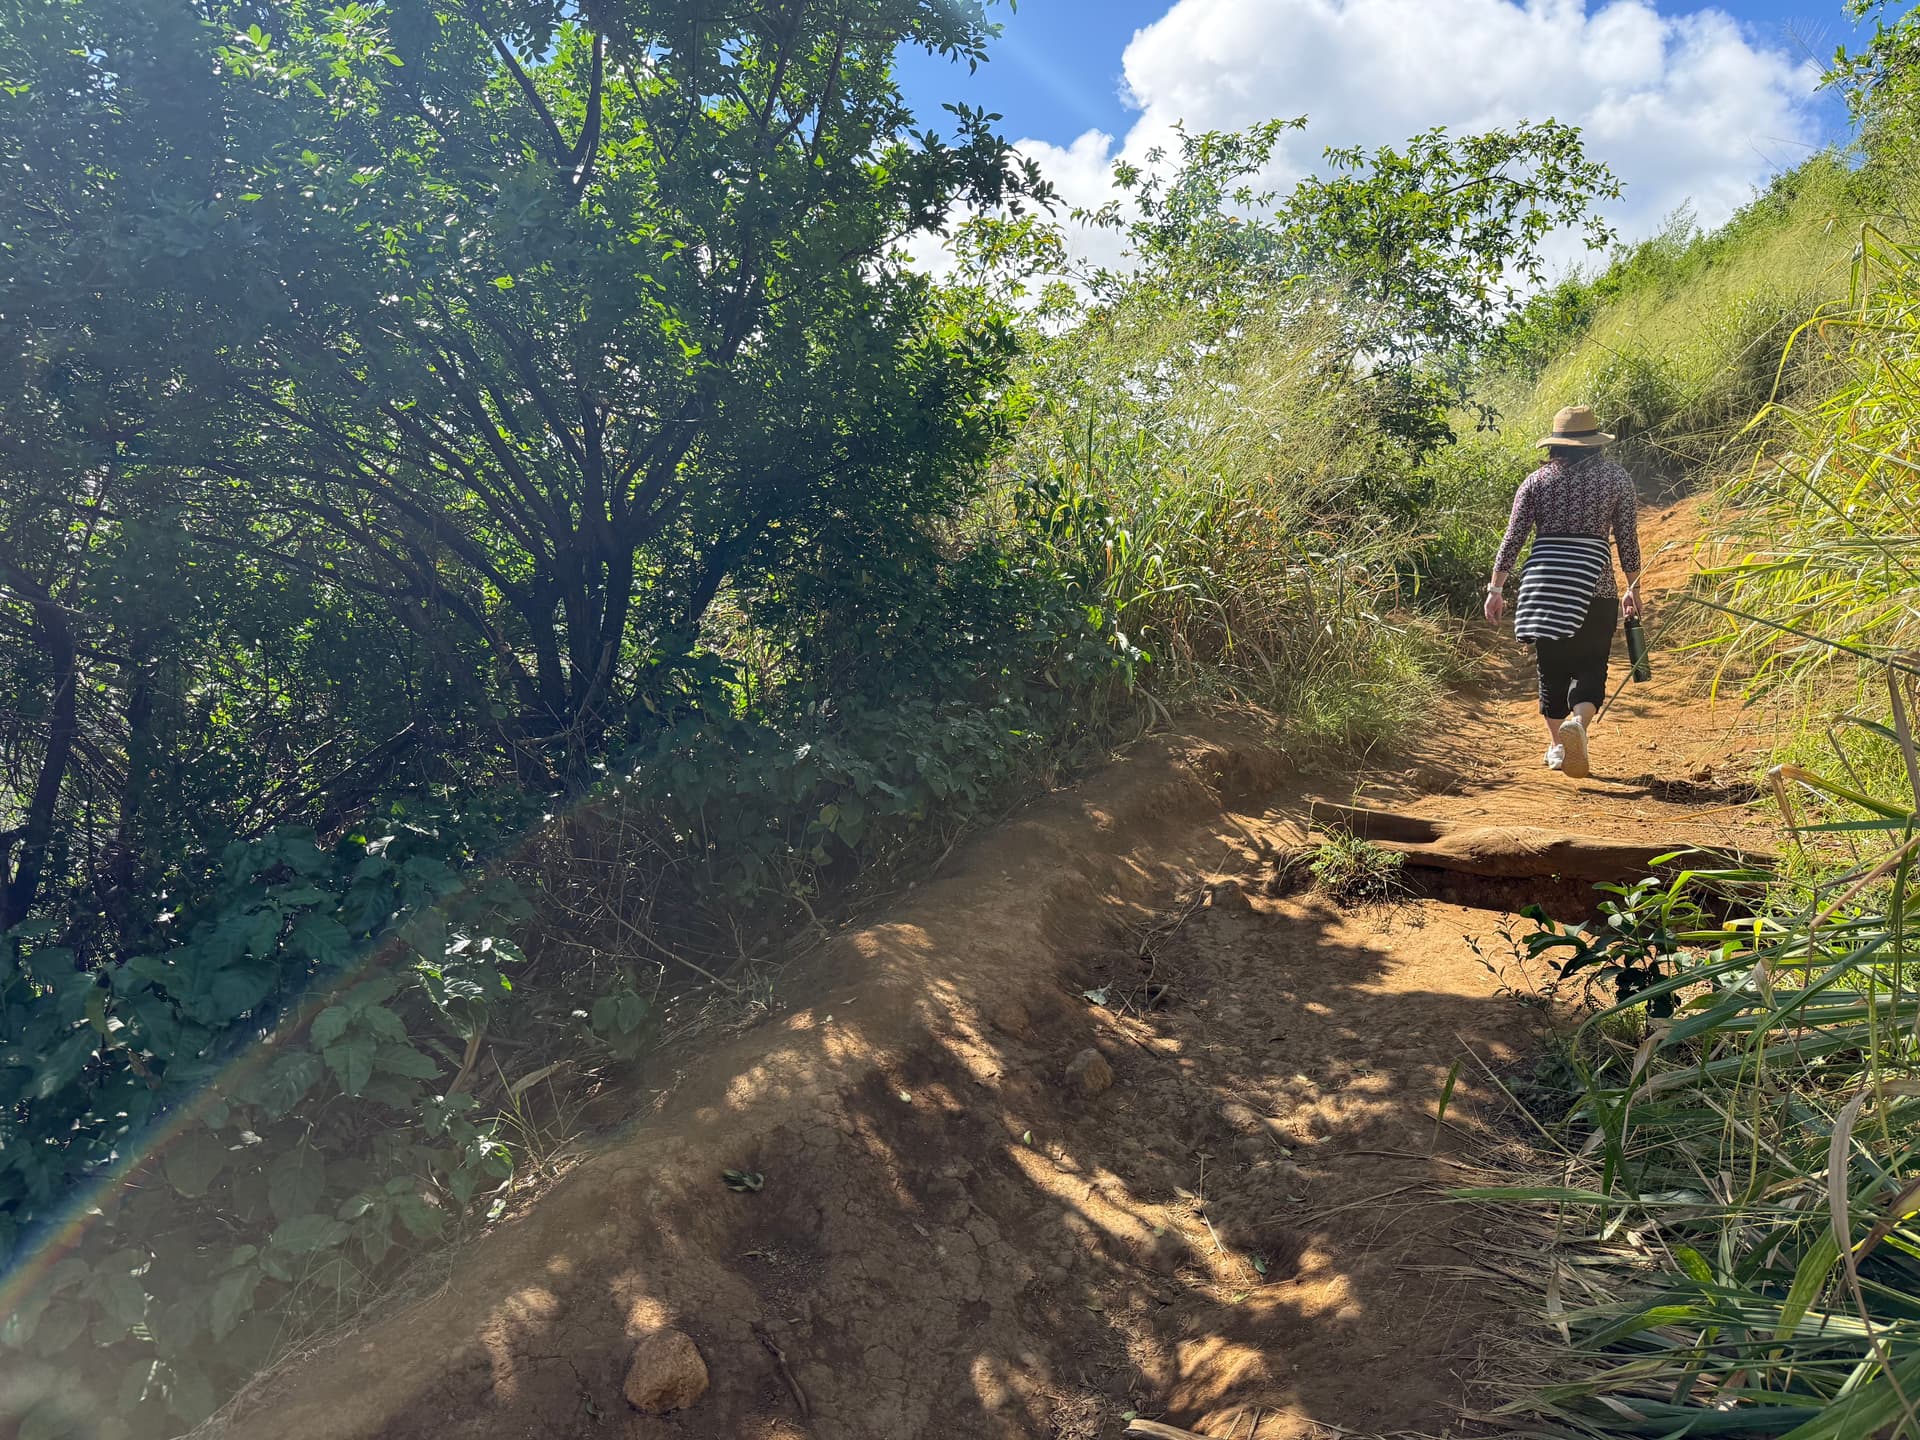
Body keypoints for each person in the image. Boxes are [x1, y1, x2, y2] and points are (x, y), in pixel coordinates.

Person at [1483, 405, 1642, 779]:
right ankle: (1579, 726)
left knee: (1551, 669)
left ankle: (1557, 747)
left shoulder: (1537, 482)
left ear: (1556, 445)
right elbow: (1627, 541)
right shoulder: (1616, 479)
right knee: (1591, 665)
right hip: (1595, 585)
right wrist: (1633, 588)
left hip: (1544, 586)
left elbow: (1513, 538)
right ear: (1595, 443)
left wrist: (1496, 588)